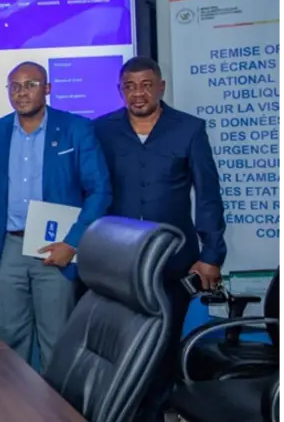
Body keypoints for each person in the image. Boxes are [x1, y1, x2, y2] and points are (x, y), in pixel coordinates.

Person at [94, 56, 226, 419]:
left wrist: (212, 253)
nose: (138, 93)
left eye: (146, 84)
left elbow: (208, 195)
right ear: (120, 90)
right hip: (117, 262)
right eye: (130, 86)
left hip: (173, 261)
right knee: (121, 346)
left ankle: (154, 414)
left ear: (161, 87)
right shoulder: (101, 131)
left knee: (163, 346)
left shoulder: (189, 129)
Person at [0, 61, 111, 370]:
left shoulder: (76, 129)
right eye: (14, 86)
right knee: (9, 337)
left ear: (48, 88)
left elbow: (100, 191)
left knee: (56, 340)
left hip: (57, 246)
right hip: (9, 247)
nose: (21, 92)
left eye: (31, 84)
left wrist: (73, 242)